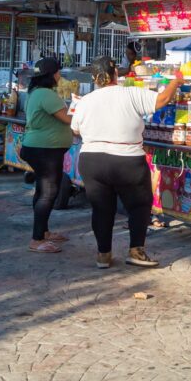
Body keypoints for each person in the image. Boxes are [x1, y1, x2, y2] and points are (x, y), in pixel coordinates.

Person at [71, 56, 183, 269]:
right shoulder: (130, 93)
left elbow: (75, 130)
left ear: (95, 78)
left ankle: (103, 255)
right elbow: (161, 101)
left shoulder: (85, 100)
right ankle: (136, 252)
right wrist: (175, 82)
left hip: (92, 160)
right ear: (116, 74)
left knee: (101, 209)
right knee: (139, 205)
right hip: (127, 159)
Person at [20, 58, 73, 254]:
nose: (60, 76)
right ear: (52, 74)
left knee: (43, 190)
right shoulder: (46, 94)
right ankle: (36, 239)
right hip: (44, 150)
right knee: (49, 192)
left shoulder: (36, 92)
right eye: (58, 72)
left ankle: (43, 232)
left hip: (40, 148)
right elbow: (67, 119)